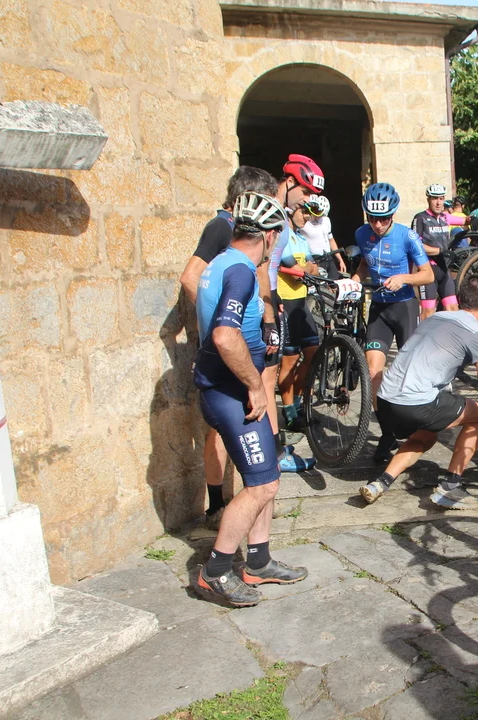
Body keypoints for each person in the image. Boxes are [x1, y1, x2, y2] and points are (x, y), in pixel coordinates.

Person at [192, 191, 308, 607]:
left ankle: (257, 561)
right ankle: (215, 571)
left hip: (226, 388)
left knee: (266, 472)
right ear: (269, 235)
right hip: (232, 394)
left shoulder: (221, 262)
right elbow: (225, 336)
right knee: (263, 484)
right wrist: (256, 386)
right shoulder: (241, 271)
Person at [360, 274, 478, 509]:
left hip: (384, 401)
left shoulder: (436, 317)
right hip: (415, 404)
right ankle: (450, 487)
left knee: (426, 436)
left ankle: (380, 483)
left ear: (460, 299)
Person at [178, 166, 279, 529]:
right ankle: (218, 505)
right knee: (220, 429)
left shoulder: (246, 238)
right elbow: (190, 277)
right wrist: (219, 322)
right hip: (225, 349)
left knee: (254, 411)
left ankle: (256, 498)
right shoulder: (222, 227)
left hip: (244, 339)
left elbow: (258, 275)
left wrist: (267, 321)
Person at [351, 182, 435, 462]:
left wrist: (404, 278)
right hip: (379, 308)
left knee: (409, 373)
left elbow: (427, 275)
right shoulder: (361, 233)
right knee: (373, 372)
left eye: (384, 218)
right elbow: (364, 264)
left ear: (393, 214)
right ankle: (387, 432)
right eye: (372, 218)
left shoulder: (407, 236)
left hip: (404, 307)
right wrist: (352, 282)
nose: (377, 224)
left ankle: (416, 426)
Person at [274, 200, 322, 437]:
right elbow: (297, 273)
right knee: (289, 361)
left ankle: (299, 403)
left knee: (314, 355)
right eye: (303, 211)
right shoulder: (283, 237)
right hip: (287, 302)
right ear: (290, 212)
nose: (307, 216)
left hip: (302, 303)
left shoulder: (301, 239)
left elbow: (314, 269)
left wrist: (306, 269)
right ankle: (289, 412)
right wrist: (306, 268)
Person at [412, 183, 459, 320]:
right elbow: (416, 246)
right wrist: (439, 251)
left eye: (441, 198)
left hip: (443, 269)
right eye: (434, 198)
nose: (438, 203)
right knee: (428, 312)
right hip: (427, 270)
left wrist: (471, 219)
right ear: (429, 199)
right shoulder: (420, 218)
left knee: (453, 310)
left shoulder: (445, 217)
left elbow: (463, 220)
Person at [303, 194, 339, 278]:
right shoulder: (304, 223)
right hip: (315, 258)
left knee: (335, 281)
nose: (320, 217)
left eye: (323, 215)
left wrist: (340, 259)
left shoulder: (326, 221)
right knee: (321, 283)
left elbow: (331, 240)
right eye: (318, 214)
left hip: (328, 256)